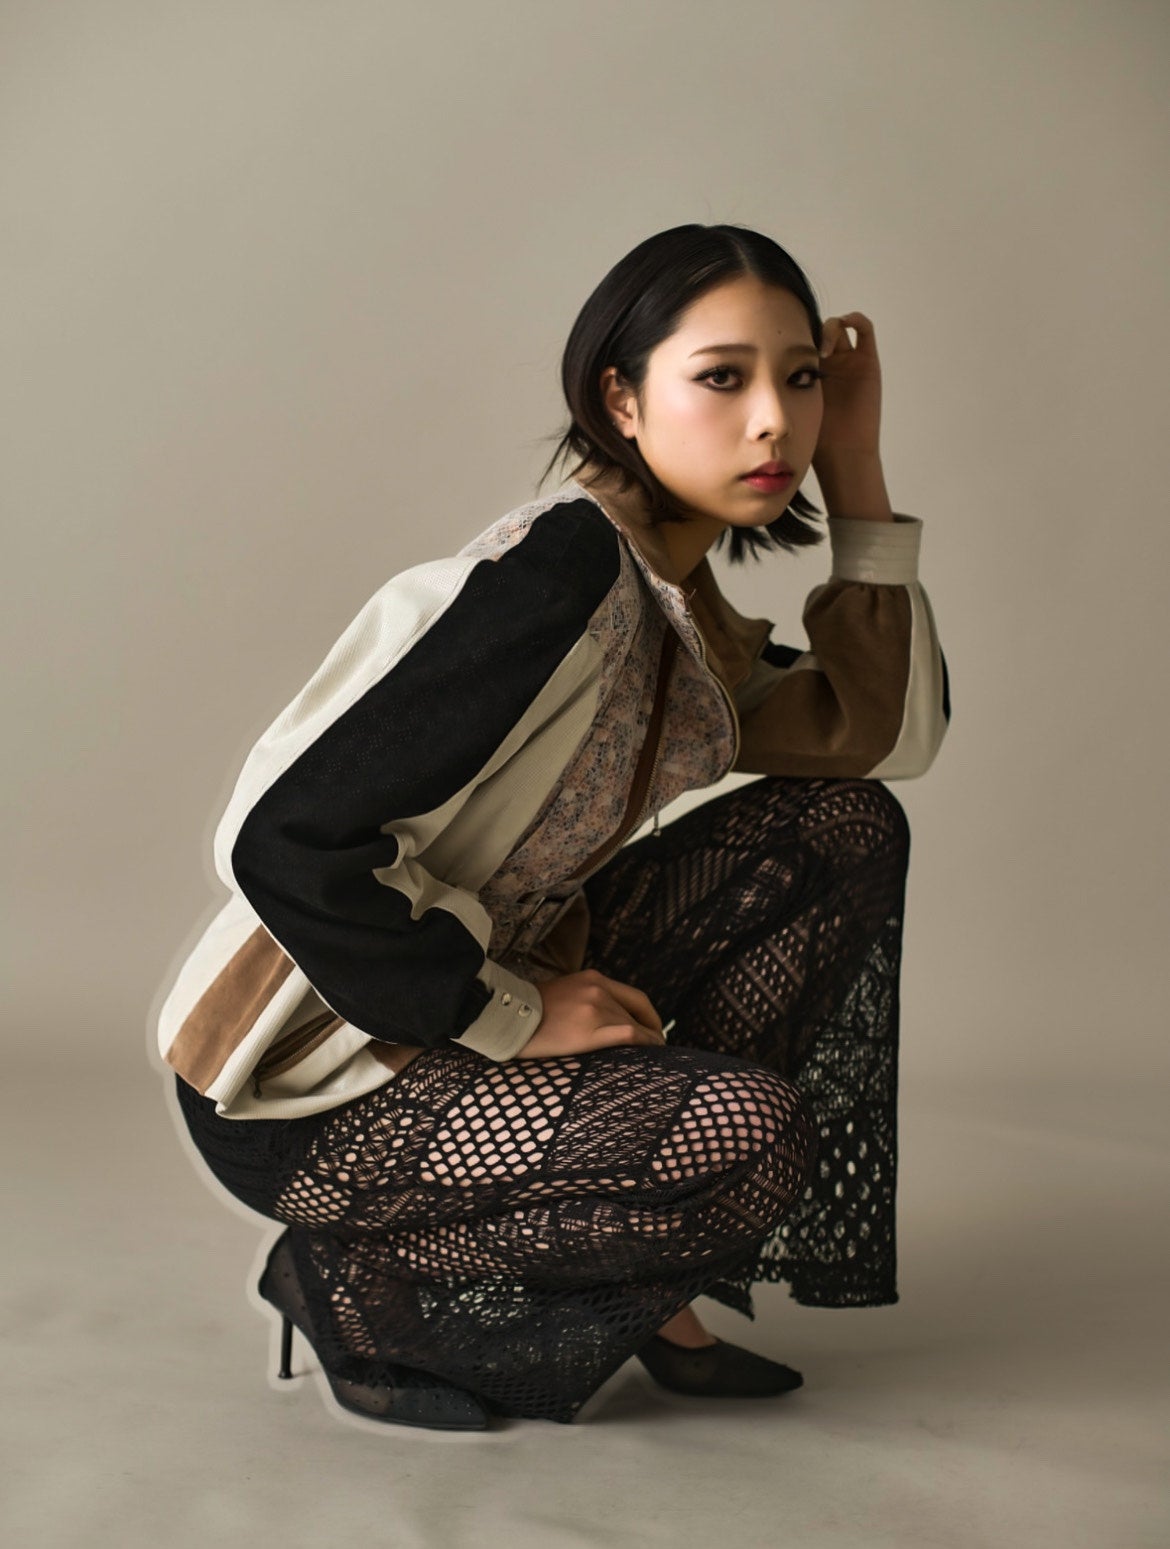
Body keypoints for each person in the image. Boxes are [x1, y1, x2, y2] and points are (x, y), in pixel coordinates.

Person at [155, 222, 951, 1431]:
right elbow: (280, 840)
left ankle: (650, 1284)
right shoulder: (560, 574)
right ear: (621, 400)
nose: (774, 422)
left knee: (839, 825)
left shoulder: (678, 605)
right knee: (753, 1138)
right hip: (318, 1077)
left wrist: (859, 472)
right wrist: (512, 1018)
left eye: (801, 379)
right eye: (722, 377)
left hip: (484, 992)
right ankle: (352, 1274)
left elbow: (875, 736)